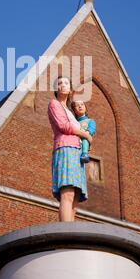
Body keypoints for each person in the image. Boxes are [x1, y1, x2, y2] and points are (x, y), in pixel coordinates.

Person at [47, 76, 94, 222]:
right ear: (56, 89)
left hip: (77, 152)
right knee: (67, 193)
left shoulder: (70, 111)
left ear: (70, 88)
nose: (63, 85)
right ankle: (64, 235)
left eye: (66, 83)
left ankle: (70, 233)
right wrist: (84, 133)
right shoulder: (54, 104)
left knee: (74, 199)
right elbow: (63, 126)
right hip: (65, 148)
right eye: (59, 83)